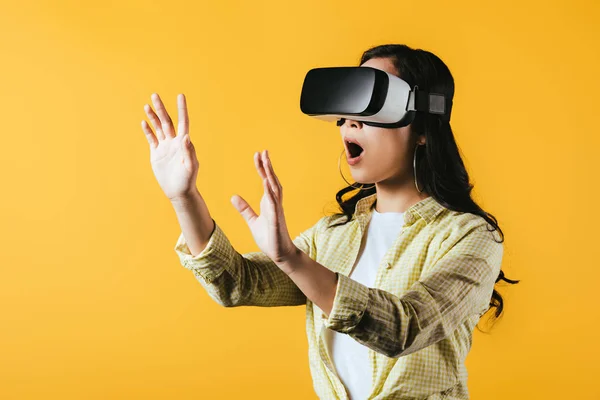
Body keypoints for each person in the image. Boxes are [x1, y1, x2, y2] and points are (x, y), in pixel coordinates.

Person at [140, 44, 519, 400]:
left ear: (422, 130)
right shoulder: (333, 236)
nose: (349, 124)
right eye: (347, 111)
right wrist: (184, 197)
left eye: (374, 105)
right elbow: (237, 284)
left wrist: (292, 258)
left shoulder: (470, 236)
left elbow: (405, 328)